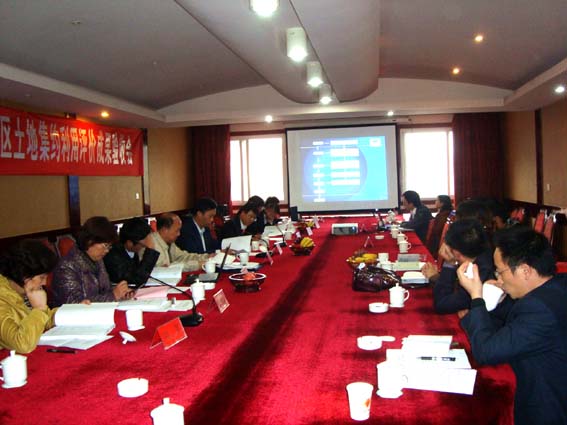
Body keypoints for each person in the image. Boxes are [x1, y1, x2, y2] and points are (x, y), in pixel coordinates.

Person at [457, 226, 567, 425]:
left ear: (525, 271)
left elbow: (486, 352)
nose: (499, 279)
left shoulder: (540, 308)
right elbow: (512, 328)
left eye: (500, 272)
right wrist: (494, 304)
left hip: (546, 410)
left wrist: (477, 297)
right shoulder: (555, 287)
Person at [52, 217, 132, 305]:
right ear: (90, 241)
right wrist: (113, 296)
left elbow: (105, 290)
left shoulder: (97, 260)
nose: (107, 251)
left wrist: (121, 293)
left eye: (109, 247)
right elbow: (74, 303)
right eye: (105, 245)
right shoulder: (66, 267)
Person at [0, 239, 59, 353]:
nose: (45, 282)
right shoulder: (2, 299)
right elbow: (22, 344)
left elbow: (45, 319)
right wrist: (39, 309)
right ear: (24, 275)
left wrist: (74, 311)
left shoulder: (23, 290)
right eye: (42, 277)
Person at [432, 219, 495, 314]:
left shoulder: (478, 274)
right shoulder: (485, 254)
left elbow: (441, 304)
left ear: (456, 252)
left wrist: (449, 264)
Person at [103, 217, 160, 287]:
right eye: (143, 245)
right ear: (129, 243)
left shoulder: (131, 250)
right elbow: (136, 280)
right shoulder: (113, 256)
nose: (143, 248)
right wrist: (150, 250)